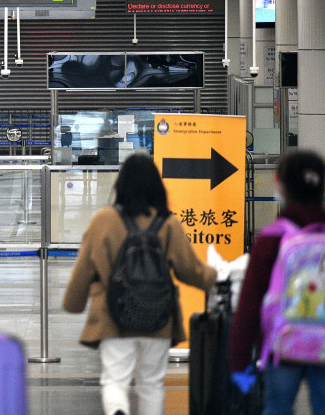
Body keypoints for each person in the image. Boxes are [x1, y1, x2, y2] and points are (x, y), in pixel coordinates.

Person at [62, 154, 216, 415]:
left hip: (114, 316)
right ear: (157, 186)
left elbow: (84, 269)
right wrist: (216, 277)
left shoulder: (104, 220)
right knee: (152, 384)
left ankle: (119, 410)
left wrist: (73, 303)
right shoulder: (168, 223)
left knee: (114, 380)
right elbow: (190, 270)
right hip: (158, 316)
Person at [229, 150, 325, 415]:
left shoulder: (271, 239)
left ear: (278, 183)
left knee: (277, 408)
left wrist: (239, 362)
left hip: (282, 349)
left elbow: (249, 305)